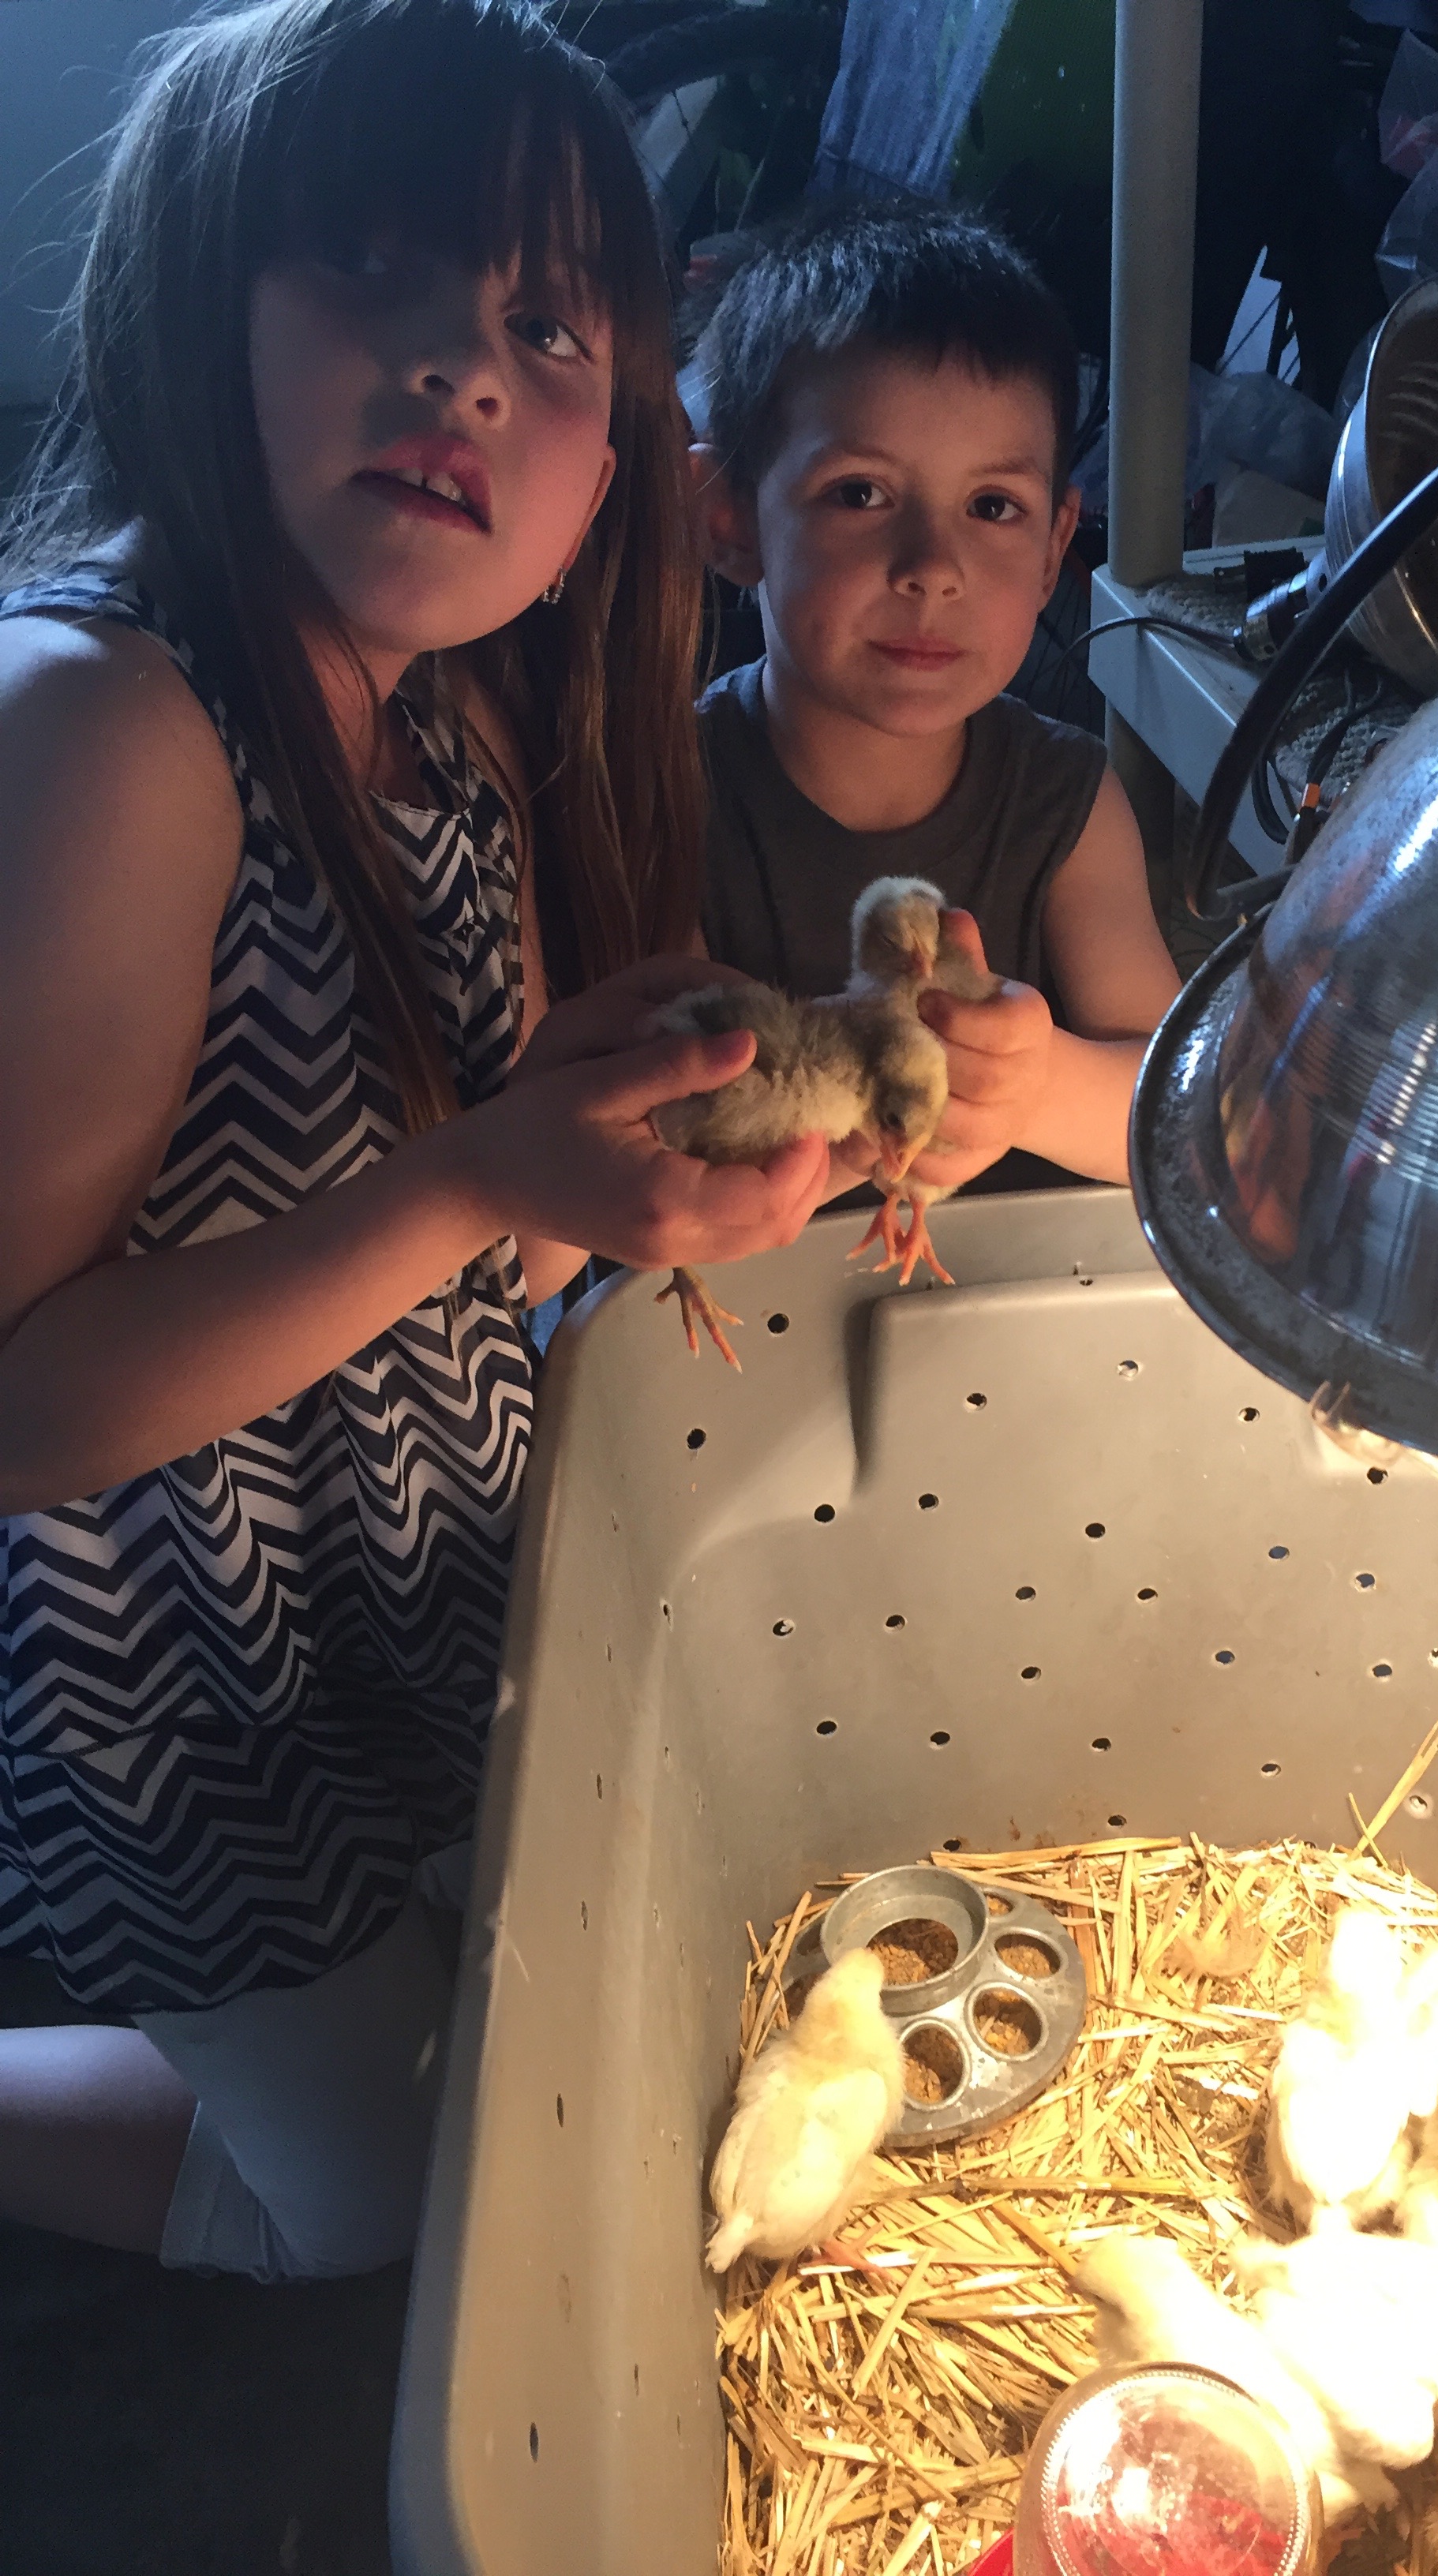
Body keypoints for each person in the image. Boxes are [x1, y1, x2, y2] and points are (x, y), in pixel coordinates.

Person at [0, 0, 831, 2281]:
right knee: (367, 2212)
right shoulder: (109, 730)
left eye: (546, 330)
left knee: (472, 2019)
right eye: (369, 267)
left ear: (613, 466)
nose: (460, 367)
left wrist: (609, 1116)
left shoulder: (432, 715)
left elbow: (461, 1210)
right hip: (172, 1692)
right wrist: (480, 1175)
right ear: (198, 300)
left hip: (373, 1598)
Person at [687, 208, 1181, 1224]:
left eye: (992, 507)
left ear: (1055, 546)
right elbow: (671, 1124)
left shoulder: (1068, 805)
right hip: (759, 1306)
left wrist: (1035, 1087)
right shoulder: (664, 793)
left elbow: (1174, 1115)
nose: (933, 568)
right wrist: (868, 1103)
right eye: (860, 494)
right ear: (730, 519)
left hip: (1019, 1302)